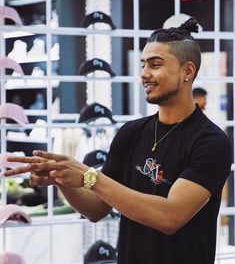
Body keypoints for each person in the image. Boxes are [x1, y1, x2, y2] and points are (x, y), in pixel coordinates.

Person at [4, 18, 232, 264]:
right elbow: (95, 209)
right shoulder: (131, 133)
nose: (144, 74)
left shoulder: (211, 142)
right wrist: (62, 179)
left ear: (187, 71)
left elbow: (170, 217)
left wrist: (91, 177)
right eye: (143, 65)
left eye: (155, 65)